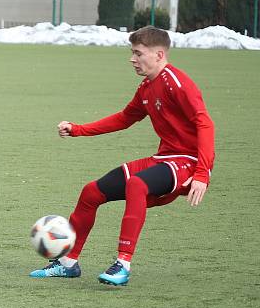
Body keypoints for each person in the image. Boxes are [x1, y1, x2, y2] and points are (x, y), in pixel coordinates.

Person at [29, 26, 214, 286]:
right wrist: (78, 130)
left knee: (137, 184)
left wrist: (202, 174)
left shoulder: (178, 83)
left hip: (189, 162)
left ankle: (122, 264)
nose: (132, 59)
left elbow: (205, 123)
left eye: (138, 53)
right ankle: (68, 263)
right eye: (132, 53)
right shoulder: (147, 87)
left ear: (159, 55)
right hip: (164, 159)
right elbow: (125, 118)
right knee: (91, 192)